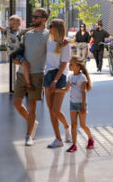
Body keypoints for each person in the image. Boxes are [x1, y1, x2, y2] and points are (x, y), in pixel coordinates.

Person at [17, 9, 52, 143]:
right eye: (33, 16)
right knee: (16, 103)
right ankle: (33, 123)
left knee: (32, 105)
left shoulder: (49, 35)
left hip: (37, 73)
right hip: (21, 72)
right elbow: (21, 50)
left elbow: (57, 44)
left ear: (44, 19)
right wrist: (19, 59)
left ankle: (29, 135)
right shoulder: (27, 34)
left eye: (36, 17)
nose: (33, 19)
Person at [41, 18, 72, 148]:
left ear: (57, 28)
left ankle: (66, 126)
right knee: (50, 110)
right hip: (47, 75)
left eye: (51, 25)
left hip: (60, 76)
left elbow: (64, 63)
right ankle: (58, 139)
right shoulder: (48, 41)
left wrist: (55, 80)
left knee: (56, 110)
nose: (49, 27)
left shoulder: (65, 44)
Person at [63, 56, 96, 152]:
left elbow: (83, 92)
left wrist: (83, 106)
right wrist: (55, 90)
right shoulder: (70, 76)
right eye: (70, 64)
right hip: (72, 104)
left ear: (78, 66)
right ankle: (74, 145)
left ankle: (90, 139)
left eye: (72, 64)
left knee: (82, 125)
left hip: (81, 104)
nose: (69, 66)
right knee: (73, 124)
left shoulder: (82, 77)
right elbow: (66, 89)